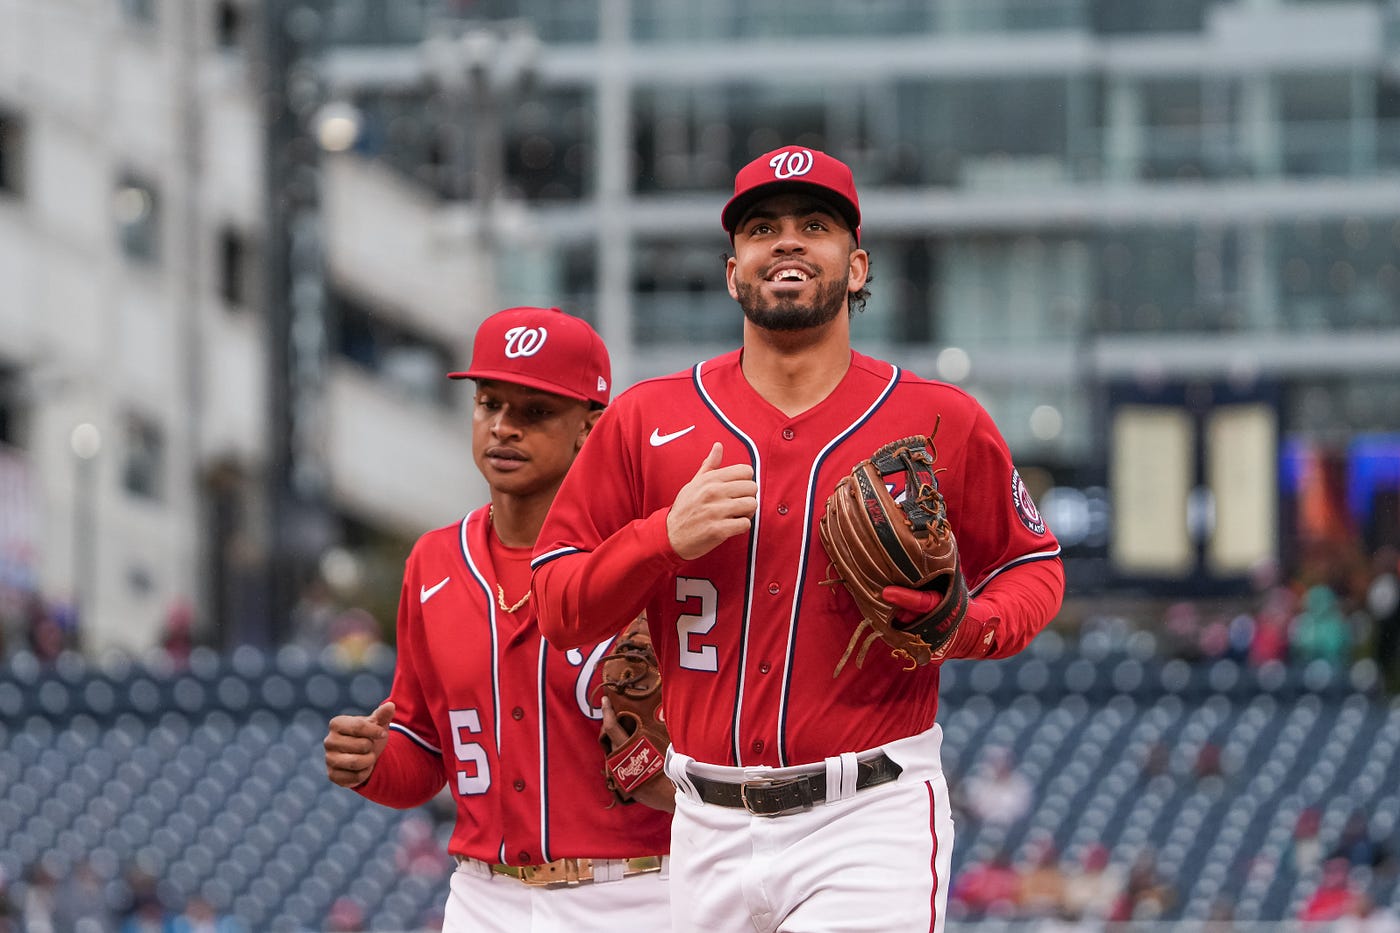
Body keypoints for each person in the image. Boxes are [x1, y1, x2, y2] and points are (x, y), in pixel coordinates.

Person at [533, 146, 1064, 931]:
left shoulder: (941, 418)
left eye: (813, 225)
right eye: (761, 228)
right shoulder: (645, 420)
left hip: (867, 810)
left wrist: (967, 624)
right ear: (731, 271)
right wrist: (662, 540)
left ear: (855, 267)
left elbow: (1033, 565)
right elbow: (556, 604)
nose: (785, 241)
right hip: (704, 819)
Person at [323, 307, 672, 933]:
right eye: (489, 404)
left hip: (639, 893)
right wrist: (374, 764)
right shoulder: (433, 562)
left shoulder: (644, 558)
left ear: (590, 429)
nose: (504, 428)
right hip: (485, 902)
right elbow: (426, 750)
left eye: (534, 412)